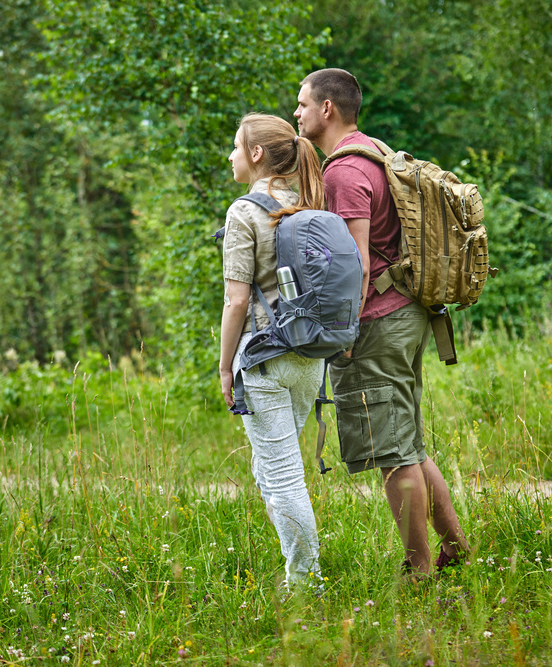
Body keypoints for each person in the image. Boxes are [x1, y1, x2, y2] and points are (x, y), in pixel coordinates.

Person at [294, 68, 470, 577]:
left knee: (393, 454)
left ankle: (419, 569)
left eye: (303, 105)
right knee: (408, 444)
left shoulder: (342, 172)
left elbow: (356, 265)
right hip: (407, 314)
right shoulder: (375, 151)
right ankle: (454, 548)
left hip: (376, 322)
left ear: (328, 109)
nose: (297, 114)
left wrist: (342, 334)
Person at [219, 113, 327, 591]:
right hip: (311, 355)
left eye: (237, 146)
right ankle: (300, 572)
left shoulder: (244, 212)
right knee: (271, 469)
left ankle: (306, 584)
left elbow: (236, 300)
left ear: (257, 154)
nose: (231, 155)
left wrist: (225, 367)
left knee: (283, 477)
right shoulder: (310, 204)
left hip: (262, 357)